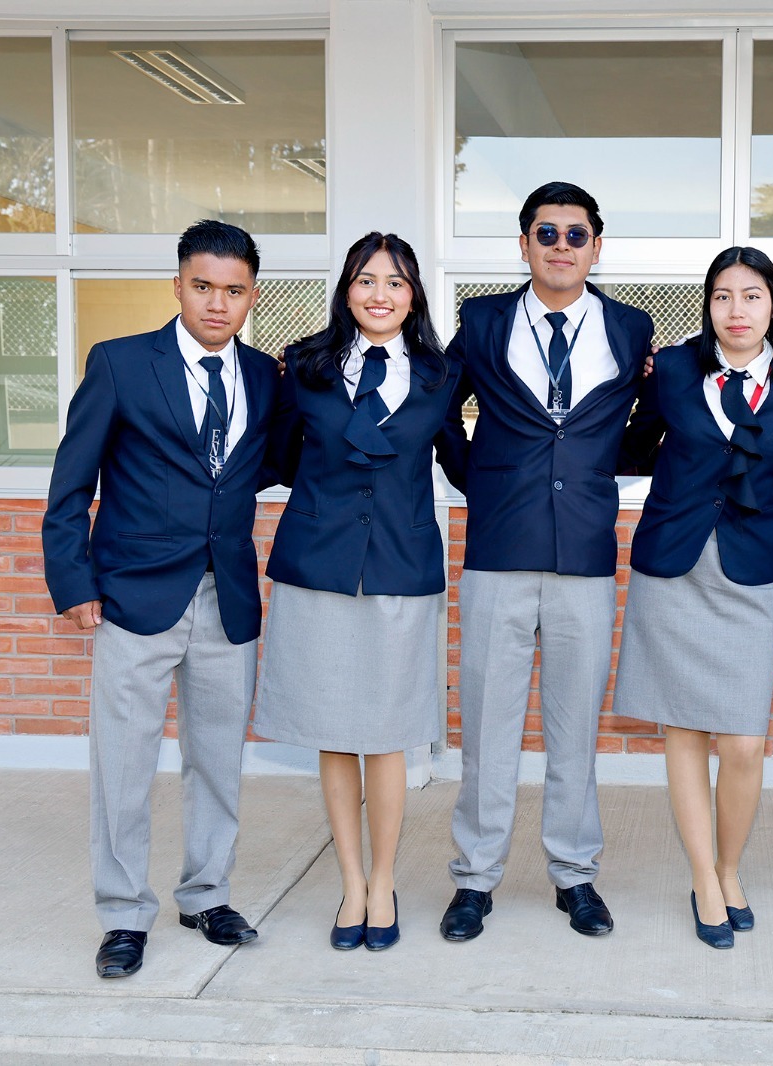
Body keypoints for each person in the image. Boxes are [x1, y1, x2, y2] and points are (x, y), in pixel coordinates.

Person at [42, 219, 279, 978]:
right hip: (133, 598)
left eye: (234, 291)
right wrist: (73, 583)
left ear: (251, 297)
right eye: (203, 286)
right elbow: (70, 486)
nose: (217, 303)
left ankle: (206, 893)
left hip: (227, 597)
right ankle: (122, 913)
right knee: (123, 765)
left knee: (217, 761)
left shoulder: (267, 377)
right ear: (177, 284)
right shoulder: (119, 365)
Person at [435, 181, 655, 941]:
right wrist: (477, 478)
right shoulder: (482, 320)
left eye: (575, 235)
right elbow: (440, 410)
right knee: (489, 726)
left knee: (573, 728)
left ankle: (575, 875)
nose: (561, 246)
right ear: (524, 244)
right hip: (498, 551)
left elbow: (641, 427)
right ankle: (474, 880)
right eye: (546, 233)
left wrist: (597, 474)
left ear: (597, 246)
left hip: (586, 558)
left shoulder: (631, 329)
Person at [253, 233, 457, 953]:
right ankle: (349, 885)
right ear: (346, 289)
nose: (380, 294)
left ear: (414, 296)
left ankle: (383, 880)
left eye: (396, 283)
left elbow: (468, 465)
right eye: (367, 280)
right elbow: (272, 460)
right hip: (319, 568)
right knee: (334, 734)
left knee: (391, 735)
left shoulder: (440, 375)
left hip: (402, 570)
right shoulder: (304, 367)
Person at [614, 247, 773, 949]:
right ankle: (706, 877)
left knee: (743, 742)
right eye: (723, 296)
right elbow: (633, 445)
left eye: (752, 296)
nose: (737, 310)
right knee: (683, 731)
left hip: (747, 573)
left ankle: (730, 866)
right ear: (708, 305)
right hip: (672, 567)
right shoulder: (672, 370)